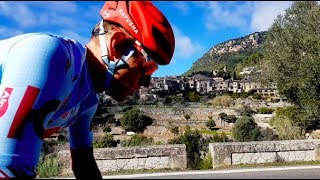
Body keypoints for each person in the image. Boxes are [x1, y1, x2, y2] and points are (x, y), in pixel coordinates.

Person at [0, 1, 175, 179]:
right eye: (147, 67)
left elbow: (85, 166)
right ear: (117, 45)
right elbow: (7, 168)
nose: (146, 82)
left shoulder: (87, 101)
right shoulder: (50, 55)